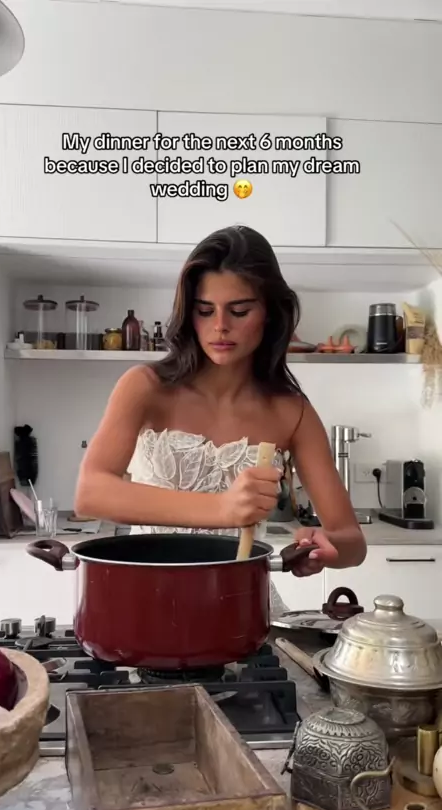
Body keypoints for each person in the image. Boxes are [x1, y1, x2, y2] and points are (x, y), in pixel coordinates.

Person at [75, 225, 366, 611]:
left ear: (270, 312)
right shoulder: (144, 386)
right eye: (204, 310)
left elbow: (352, 542)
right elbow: (90, 493)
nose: (220, 326)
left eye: (240, 311)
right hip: (146, 602)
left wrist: (326, 547)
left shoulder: (291, 410)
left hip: (241, 607)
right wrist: (223, 509)